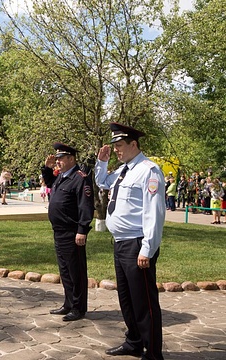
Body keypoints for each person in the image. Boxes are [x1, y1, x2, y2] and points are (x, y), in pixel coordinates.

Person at [95, 123, 165, 359]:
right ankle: (134, 342)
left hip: (137, 244)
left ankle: (153, 352)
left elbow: (154, 212)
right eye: (114, 146)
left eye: (119, 145)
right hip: (120, 243)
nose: (116, 149)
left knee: (144, 302)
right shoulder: (123, 170)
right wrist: (102, 162)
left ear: (133, 144)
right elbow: (102, 182)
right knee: (126, 299)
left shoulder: (149, 170)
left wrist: (147, 249)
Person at [41, 143, 94, 322]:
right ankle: (69, 303)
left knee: (76, 272)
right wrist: (46, 168)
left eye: (61, 158)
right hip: (59, 232)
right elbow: (49, 182)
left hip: (72, 233)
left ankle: (79, 308)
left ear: (71, 158)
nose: (58, 162)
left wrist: (82, 230)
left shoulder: (80, 178)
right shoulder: (62, 177)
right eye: (57, 159)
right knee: (65, 271)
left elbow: (85, 206)